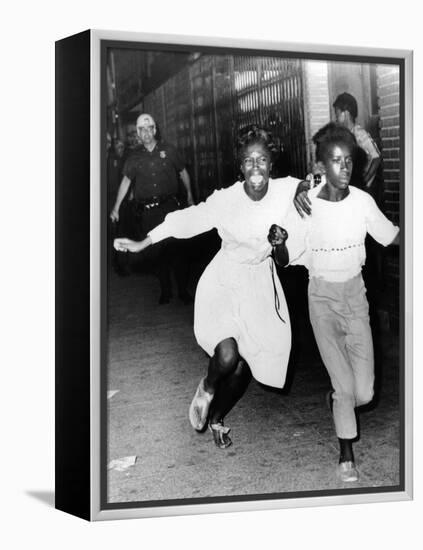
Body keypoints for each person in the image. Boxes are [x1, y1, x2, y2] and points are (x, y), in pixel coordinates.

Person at [114, 127, 305, 449]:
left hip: (260, 285)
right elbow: (186, 220)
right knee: (228, 356)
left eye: (262, 160)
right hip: (225, 281)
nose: (255, 168)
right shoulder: (226, 199)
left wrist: (288, 226)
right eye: (248, 161)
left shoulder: (287, 191)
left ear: (273, 163)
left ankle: (217, 417)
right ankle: (207, 385)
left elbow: (287, 257)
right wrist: (144, 241)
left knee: (248, 367)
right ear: (239, 166)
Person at [291, 123, 399, 482]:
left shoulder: (362, 202)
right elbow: (284, 247)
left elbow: (392, 236)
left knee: (364, 392)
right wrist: (279, 234)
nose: (345, 168)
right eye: (335, 161)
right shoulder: (306, 204)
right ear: (320, 166)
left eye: (349, 160)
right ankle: (346, 453)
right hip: (321, 299)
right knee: (344, 386)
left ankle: (340, 402)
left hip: (355, 298)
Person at [110, 113, 195, 304]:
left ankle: (183, 291)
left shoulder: (169, 150)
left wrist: (189, 195)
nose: (146, 133)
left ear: (155, 130)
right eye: (142, 130)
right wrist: (116, 207)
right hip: (149, 212)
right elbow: (125, 182)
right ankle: (165, 291)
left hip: (171, 208)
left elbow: (183, 172)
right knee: (157, 251)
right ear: (138, 134)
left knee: (177, 249)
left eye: (149, 129)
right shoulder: (134, 157)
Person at [333, 92, 381, 193]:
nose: (335, 118)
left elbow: (376, 157)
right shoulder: (345, 134)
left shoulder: (359, 133)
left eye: (337, 114)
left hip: (366, 191)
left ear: (345, 113)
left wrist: (364, 183)